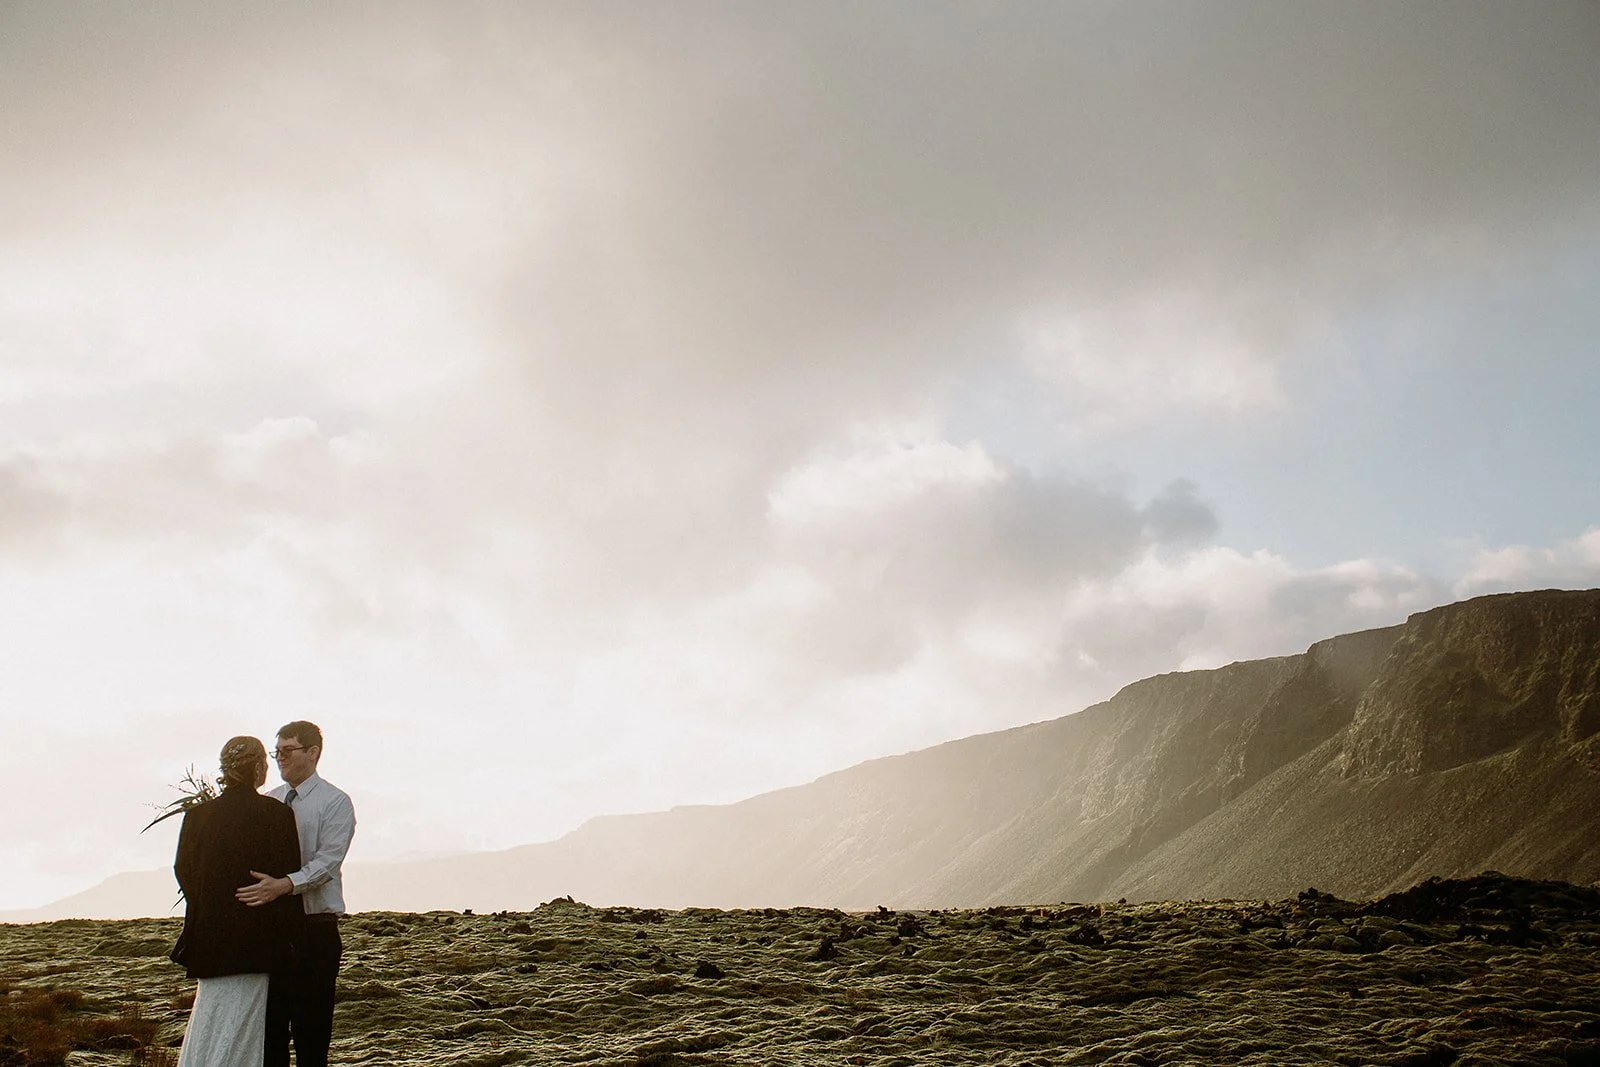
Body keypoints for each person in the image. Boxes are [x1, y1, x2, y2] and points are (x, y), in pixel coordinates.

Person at [171, 736, 304, 1067]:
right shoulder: (276, 814)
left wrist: (211, 905)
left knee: (208, 1023)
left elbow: (183, 870)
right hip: (256, 943)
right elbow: (287, 875)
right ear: (258, 768)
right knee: (247, 1031)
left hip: (208, 942)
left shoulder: (197, 816)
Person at [236, 721, 356, 1067]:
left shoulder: (335, 802)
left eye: (287, 751)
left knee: (312, 1034)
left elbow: (327, 862)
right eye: (276, 753)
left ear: (313, 752)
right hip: (273, 932)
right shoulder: (268, 801)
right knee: (270, 1032)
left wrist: (284, 885)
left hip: (315, 929)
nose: (279, 759)